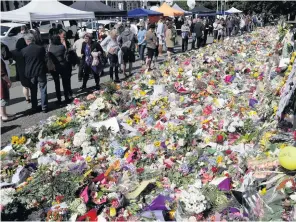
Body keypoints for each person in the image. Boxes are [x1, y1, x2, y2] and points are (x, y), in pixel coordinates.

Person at [22, 33, 48, 113]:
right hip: (40, 71)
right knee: (43, 89)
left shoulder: (24, 50)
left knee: (33, 90)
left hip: (31, 72)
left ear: (27, 41)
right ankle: (44, 107)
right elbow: (44, 58)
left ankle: (34, 107)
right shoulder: (40, 48)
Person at [48, 35, 72, 104]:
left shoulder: (49, 47)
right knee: (65, 82)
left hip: (54, 66)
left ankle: (59, 98)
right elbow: (65, 53)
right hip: (62, 65)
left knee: (56, 83)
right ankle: (66, 97)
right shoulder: (61, 47)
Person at [11, 25, 31, 104]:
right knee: (31, 85)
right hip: (28, 69)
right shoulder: (26, 52)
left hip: (20, 70)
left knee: (24, 86)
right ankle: (32, 97)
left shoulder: (16, 53)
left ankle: (27, 99)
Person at [1, 43, 13, 121]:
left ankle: (2, 113)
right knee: (3, 98)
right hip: (1, 82)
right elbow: (1, 72)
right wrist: (8, 81)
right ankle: (4, 115)